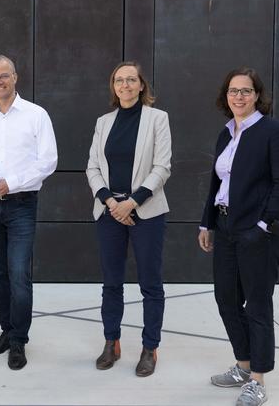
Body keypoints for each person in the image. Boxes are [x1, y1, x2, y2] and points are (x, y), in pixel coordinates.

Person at [198, 67, 279, 406]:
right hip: (225, 228)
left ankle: (257, 380)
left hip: (258, 233)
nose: (239, 96)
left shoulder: (274, 132)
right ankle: (243, 364)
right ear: (226, 97)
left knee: (256, 304)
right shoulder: (226, 133)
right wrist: (206, 223)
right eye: (233, 91)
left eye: (246, 90)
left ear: (257, 96)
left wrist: (264, 226)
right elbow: (217, 182)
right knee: (226, 299)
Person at [0, 55, 58, 370]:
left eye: (4, 76)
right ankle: (6, 331)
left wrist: (10, 183)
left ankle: (19, 341)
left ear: (15, 77)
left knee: (19, 274)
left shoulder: (36, 115)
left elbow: (48, 161)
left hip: (21, 204)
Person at [86, 61, 171, 377]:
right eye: (119, 80)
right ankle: (112, 342)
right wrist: (111, 202)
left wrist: (132, 203)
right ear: (114, 86)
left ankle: (150, 348)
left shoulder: (157, 119)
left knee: (150, 283)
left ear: (141, 85)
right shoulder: (103, 122)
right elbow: (92, 168)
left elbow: (162, 167)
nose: (125, 85)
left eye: (131, 80)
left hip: (146, 212)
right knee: (111, 282)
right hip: (109, 212)